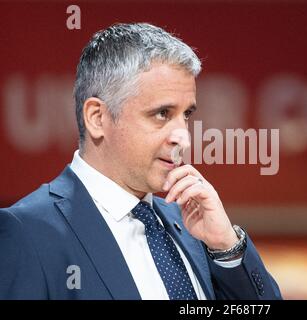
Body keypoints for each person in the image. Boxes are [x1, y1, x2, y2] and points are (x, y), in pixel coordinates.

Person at [0, 23, 282, 300]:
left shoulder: (194, 226)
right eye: (162, 114)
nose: (183, 137)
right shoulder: (28, 233)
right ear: (97, 118)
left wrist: (226, 248)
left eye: (186, 115)